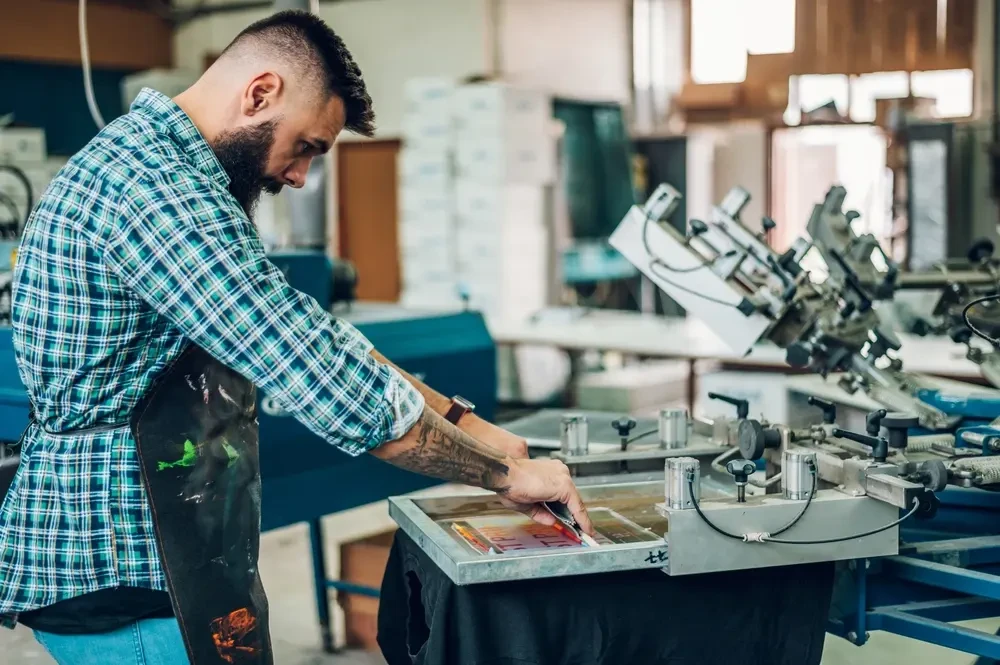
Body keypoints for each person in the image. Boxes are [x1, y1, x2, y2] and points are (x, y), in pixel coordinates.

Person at [0, 10, 592, 665]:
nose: (300, 176)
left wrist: (465, 422)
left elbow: (313, 335)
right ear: (259, 94)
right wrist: (508, 475)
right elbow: (329, 382)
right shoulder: (154, 188)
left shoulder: (169, 174)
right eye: (307, 146)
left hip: (170, 560)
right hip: (127, 573)